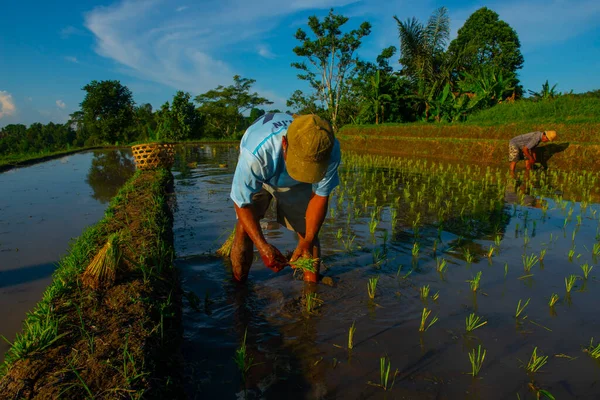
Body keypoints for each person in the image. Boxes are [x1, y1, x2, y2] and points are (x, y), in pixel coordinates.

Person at [229, 112, 341, 283]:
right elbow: (242, 203)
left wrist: (307, 241)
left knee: (307, 233)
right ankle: (238, 286)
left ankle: (310, 292)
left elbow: (319, 196)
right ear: (284, 143)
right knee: (245, 230)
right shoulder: (256, 153)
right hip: (263, 173)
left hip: (295, 185)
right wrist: (263, 246)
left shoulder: (328, 149)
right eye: (300, 164)